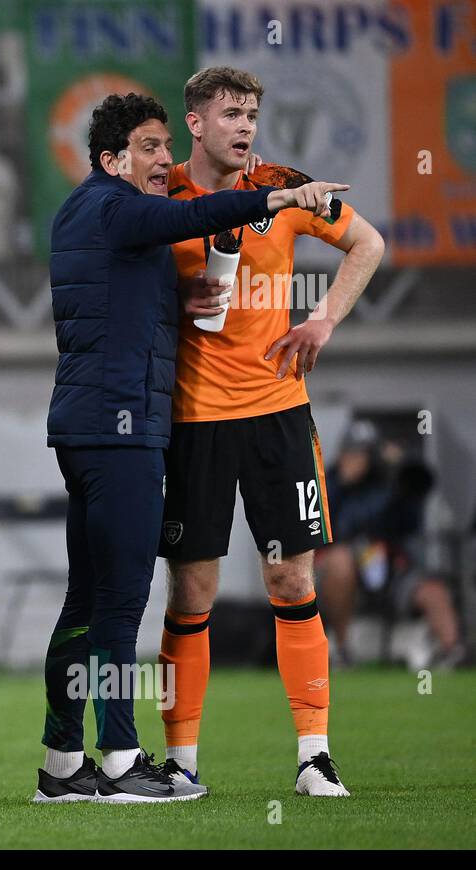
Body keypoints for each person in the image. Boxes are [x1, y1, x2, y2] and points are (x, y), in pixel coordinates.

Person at [36, 92, 346, 804]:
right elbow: (198, 212)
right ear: (113, 159)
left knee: (84, 600)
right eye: (149, 147)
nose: (164, 161)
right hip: (122, 432)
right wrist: (283, 195)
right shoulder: (119, 206)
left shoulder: (82, 212)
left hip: (83, 426)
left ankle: (60, 762)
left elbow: (128, 297)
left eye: (165, 145)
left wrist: (189, 300)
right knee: (120, 604)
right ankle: (118, 760)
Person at [156, 67, 384, 798]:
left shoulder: (286, 187)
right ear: (196, 123)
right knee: (192, 592)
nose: (245, 126)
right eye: (230, 114)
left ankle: (314, 754)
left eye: (251, 113)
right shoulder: (164, 200)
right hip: (193, 420)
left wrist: (322, 319)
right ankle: (182, 761)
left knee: (291, 575)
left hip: (278, 414)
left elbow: (369, 244)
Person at [317, 422, 467, 669]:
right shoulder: (330, 481)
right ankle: (341, 650)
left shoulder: (389, 482)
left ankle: (453, 652)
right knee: (340, 559)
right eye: (352, 452)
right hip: (345, 570)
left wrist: (402, 465)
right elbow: (340, 527)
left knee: (432, 589)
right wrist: (345, 483)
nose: (356, 460)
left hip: (388, 566)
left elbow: (412, 523)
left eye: (363, 454)